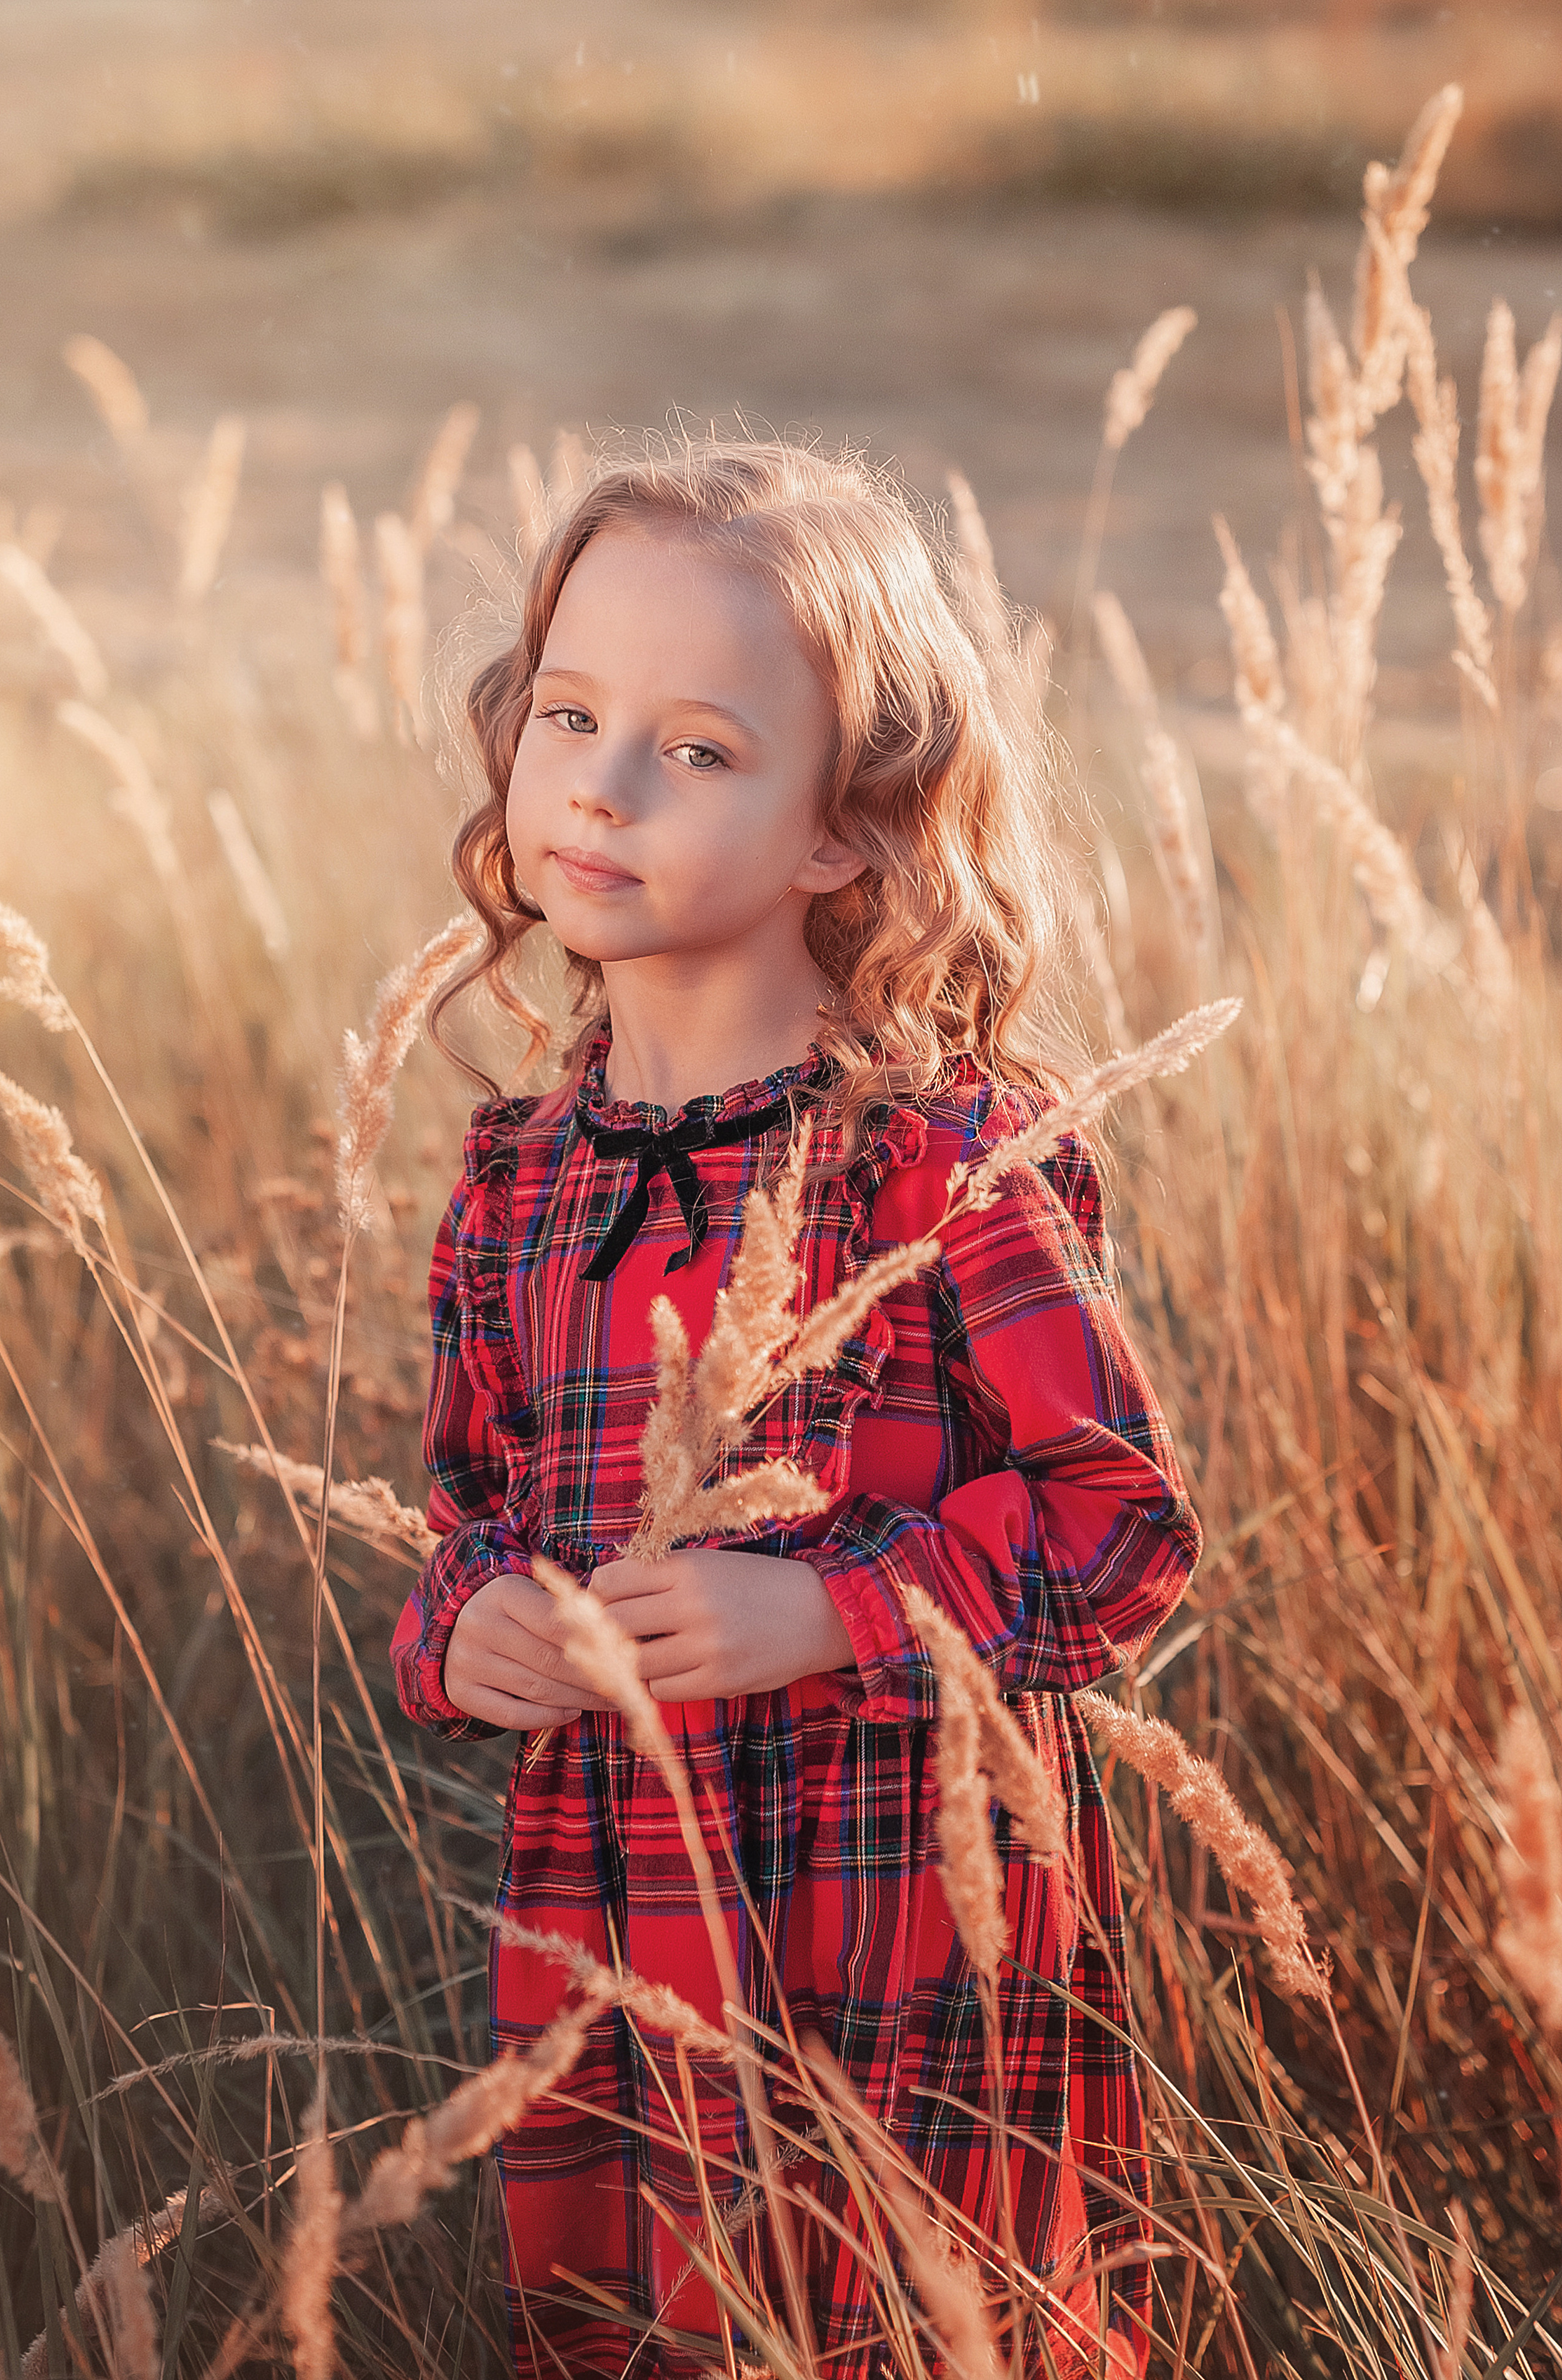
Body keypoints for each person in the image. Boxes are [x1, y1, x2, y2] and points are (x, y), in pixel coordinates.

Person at [390, 440, 1200, 2380]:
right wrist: (471, 1627)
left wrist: (830, 1606)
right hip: (619, 1918)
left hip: (904, 1920)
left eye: (699, 749)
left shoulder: (944, 1160)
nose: (599, 784)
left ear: (848, 832)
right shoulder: (519, 1177)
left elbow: (1120, 1530)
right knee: (645, 2332)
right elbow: (464, 1512)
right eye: (572, 715)